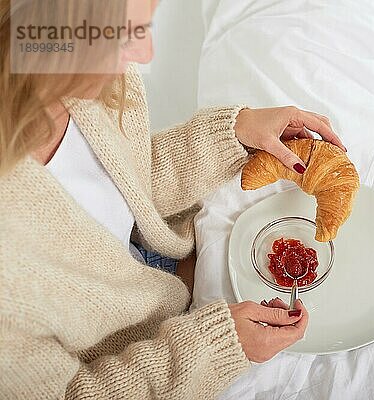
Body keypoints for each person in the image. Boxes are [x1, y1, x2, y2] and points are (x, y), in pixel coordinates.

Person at [0, 0, 346, 398]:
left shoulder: (81, 87)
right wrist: (210, 351)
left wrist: (235, 134)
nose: (144, 55)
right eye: (122, 36)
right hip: (140, 354)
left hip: (164, 269)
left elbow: (129, 185)